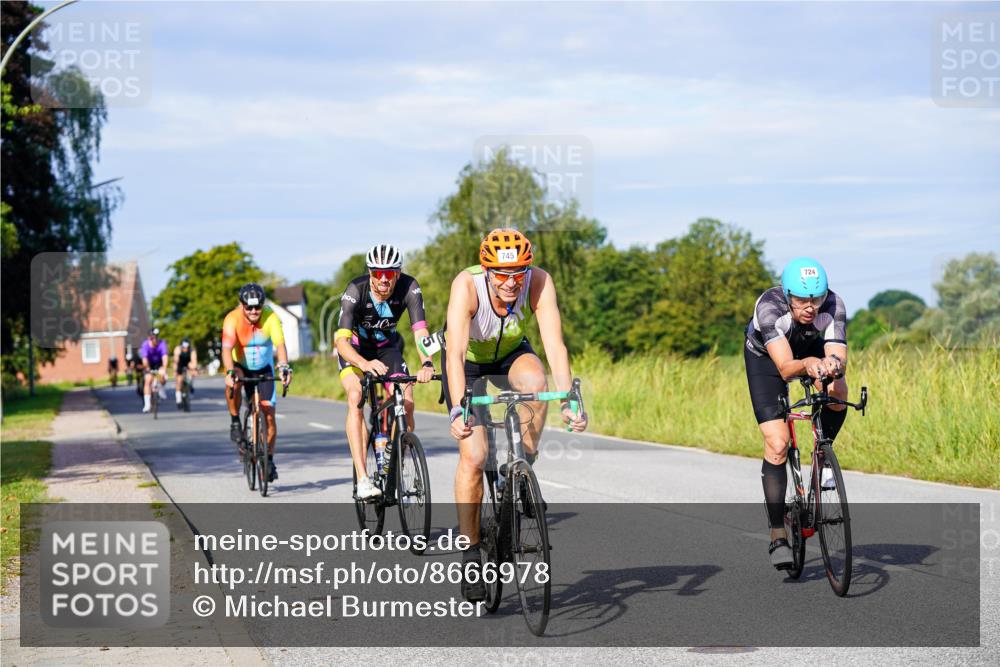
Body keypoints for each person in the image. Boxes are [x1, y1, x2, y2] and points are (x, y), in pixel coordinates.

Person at [443, 228, 588, 602]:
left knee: (536, 383)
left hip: (510, 352)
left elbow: (554, 345)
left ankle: (523, 464)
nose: (511, 282)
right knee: (474, 457)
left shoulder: (538, 281)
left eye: (518, 272)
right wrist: (460, 406)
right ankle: (472, 553)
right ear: (487, 270)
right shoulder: (467, 285)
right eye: (502, 274)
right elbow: (455, 353)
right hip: (470, 364)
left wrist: (569, 399)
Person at [744, 257, 849, 569]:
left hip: (810, 349)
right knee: (777, 444)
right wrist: (808, 365)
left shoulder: (834, 303)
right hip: (769, 360)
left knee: (838, 390)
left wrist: (832, 365)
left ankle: (823, 457)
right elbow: (787, 368)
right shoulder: (769, 307)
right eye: (802, 299)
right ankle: (778, 534)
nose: (811, 306)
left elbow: (839, 355)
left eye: (816, 298)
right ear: (787, 295)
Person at [334, 244, 435, 500]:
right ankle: (364, 478)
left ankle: (393, 453)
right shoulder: (356, 290)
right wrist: (364, 364)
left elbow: (420, 331)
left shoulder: (410, 288)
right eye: (377, 273)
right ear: (370, 272)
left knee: (407, 400)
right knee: (356, 396)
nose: (382, 279)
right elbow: (341, 343)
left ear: (398, 274)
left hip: (386, 349)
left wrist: (427, 363)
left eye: (389, 274)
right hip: (355, 351)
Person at [222, 283, 292, 482]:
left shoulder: (271, 317)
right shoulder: (232, 319)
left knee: (269, 417)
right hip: (240, 366)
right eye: (249, 307)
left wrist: (284, 366)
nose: (254, 311)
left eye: (257, 307)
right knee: (232, 383)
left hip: (264, 368)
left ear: (263, 305)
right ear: (242, 305)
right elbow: (227, 349)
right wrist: (228, 372)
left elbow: (280, 345)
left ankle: (269, 459)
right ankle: (235, 421)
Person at [139, 328, 169, 413]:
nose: (154, 339)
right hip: (149, 364)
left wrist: (164, 367)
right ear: (149, 338)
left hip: (159, 364)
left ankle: (161, 388)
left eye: (156, 337)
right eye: (152, 338)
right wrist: (148, 368)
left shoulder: (162, 344)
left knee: (162, 376)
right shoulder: (145, 345)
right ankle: (147, 404)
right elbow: (144, 359)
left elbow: (165, 358)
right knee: (148, 380)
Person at [173, 338, 199, 408]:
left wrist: (194, 368)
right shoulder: (177, 349)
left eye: (187, 347)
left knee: (192, 373)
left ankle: (190, 385)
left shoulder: (192, 350)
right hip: (180, 363)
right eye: (184, 347)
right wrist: (175, 370)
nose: (185, 349)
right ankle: (178, 399)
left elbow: (194, 361)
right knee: (178, 380)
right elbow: (176, 361)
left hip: (188, 363)